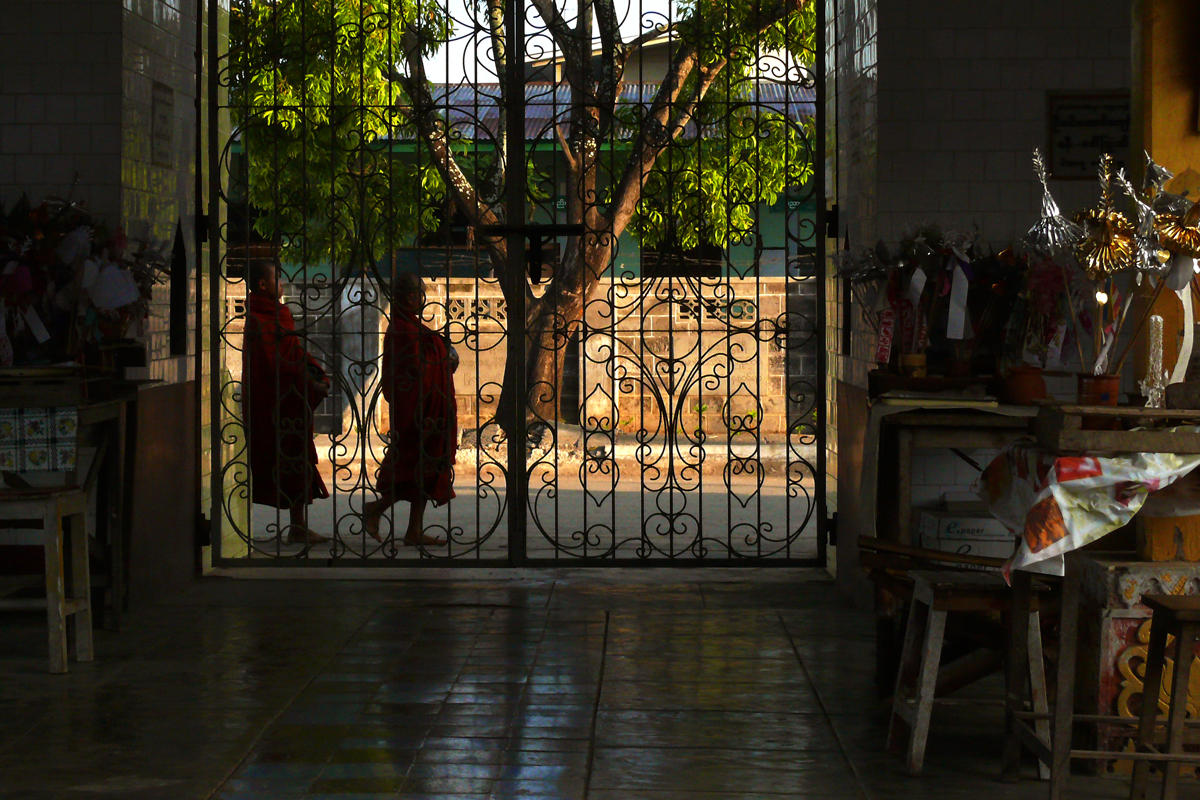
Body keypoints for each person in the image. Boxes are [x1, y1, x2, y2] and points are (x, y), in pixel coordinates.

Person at [363, 273, 458, 546]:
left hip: (429, 410)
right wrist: (443, 356)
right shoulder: (402, 329)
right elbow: (414, 369)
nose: (418, 299)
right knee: (412, 468)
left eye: (419, 294)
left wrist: (442, 354)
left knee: (424, 472)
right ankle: (377, 509)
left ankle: (413, 530)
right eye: (414, 294)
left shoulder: (412, 327)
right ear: (405, 297)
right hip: (415, 413)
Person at [241, 258, 331, 544]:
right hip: (271, 401)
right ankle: (297, 525)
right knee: (282, 458)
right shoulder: (256, 318)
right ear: (262, 284)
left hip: (291, 399)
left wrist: (314, 372)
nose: (282, 284)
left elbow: (293, 351)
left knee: (297, 457)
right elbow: (272, 361)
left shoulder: (281, 314)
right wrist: (307, 380)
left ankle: (298, 525)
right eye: (276, 278)